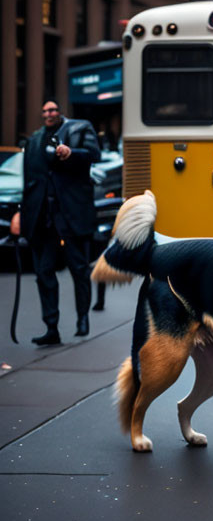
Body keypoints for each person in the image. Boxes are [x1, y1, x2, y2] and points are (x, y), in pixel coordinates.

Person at [11, 100, 101, 345]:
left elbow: (94, 155)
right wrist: (21, 212)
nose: (48, 114)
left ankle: (83, 318)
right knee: (43, 272)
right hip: (43, 218)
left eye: (52, 110)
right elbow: (30, 181)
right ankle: (51, 327)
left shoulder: (79, 129)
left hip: (71, 214)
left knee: (79, 269)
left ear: (60, 112)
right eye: (44, 111)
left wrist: (71, 154)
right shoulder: (35, 141)